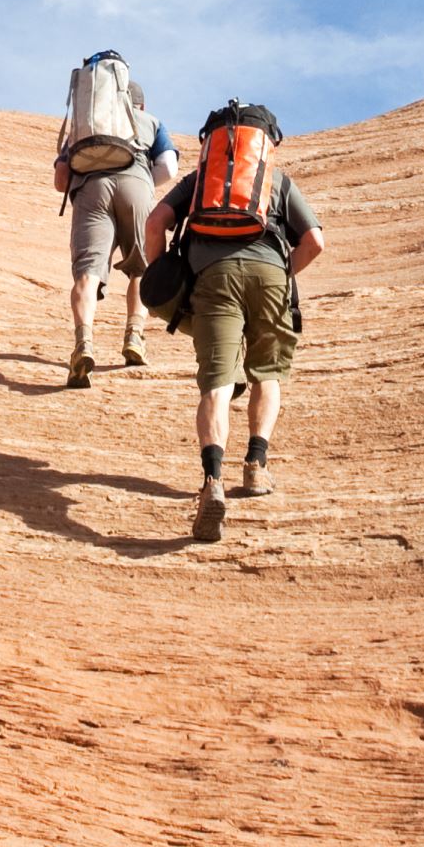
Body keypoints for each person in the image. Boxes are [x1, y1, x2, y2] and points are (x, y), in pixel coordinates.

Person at [142, 99, 324, 543]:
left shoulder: (200, 182)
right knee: (267, 373)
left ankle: (212, 481)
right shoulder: (276, 181)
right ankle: (256, 466)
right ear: (265, 143)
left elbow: (155, 222)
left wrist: (163, 270)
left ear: (212, 143)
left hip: (213, 278)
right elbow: (315, 241)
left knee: (217, 384)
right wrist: (283, 275)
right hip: (270, 276)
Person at [51, 50, 176, 388]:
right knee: (140, 267)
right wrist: (143, 180)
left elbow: (61, 179)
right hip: (136, 183)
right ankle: (134, 337)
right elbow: (169, 166)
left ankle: (83, 343)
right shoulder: (151, 122)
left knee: (88, 274)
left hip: (91, 190)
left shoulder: (82, 126)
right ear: (139, 105)